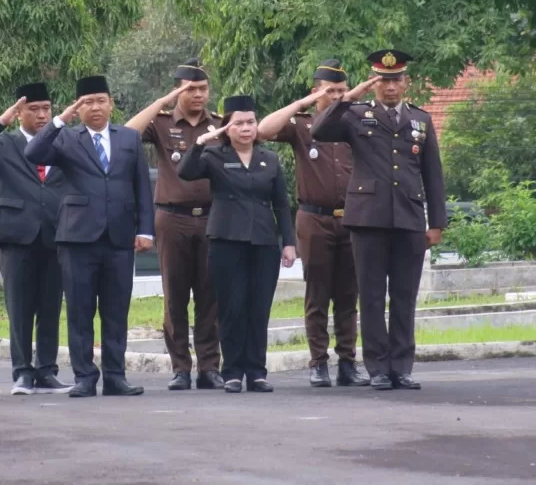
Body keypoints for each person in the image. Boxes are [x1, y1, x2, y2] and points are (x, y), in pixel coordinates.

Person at [312, 50, 446, 391]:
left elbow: (433, 175)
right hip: (368, 218)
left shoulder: (421, 120)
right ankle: (378, 368)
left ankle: (401, 366)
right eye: (383, 80)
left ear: (406, 82)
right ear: (374, 84)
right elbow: (320, 130)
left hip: (409, 217)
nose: (390, 87)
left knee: (404, 295)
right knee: (370, 295)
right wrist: (349, 96)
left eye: (396, 80)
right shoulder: (356, 114)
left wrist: (437, 223)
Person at [24, 75, 154, 398]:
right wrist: (59, 120)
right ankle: (84, 376)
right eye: (87, 102)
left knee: (116, 309)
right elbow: (33, 152)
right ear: (78, 107)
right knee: (80, 310)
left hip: (119, 237)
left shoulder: (129, 139)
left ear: (111, 103)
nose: (95, 108)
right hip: (77, 237)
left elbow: (142, 187)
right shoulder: (66, 138)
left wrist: (145, 230)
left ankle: (115, 376)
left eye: (100, 101)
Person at [257, 60, 370, 388]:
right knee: (317, 294)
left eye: (340, 90)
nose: (335, 96)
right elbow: (263, 130)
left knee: (349, 295)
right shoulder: (302, 124)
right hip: (314, 218)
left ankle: (348, 362)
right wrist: (302, 104)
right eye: (328, 91)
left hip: (351, 219)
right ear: (315, 92)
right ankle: (318, 362)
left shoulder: (354, 124)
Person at [177, 95, 296, 394]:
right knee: (231, 307)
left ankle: (256, 372)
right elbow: (186, 173)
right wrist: (201, 142)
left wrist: (289, 243)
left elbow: (281, 204)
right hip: (226, 240)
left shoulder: (269, 159)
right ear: (226, 128)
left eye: (251, 122)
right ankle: (232, 372)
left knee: (259, 308)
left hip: (263, 241)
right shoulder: (214, 156)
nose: (246, 128)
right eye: (238, 123)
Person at [124, 59, 224, 391]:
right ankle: (180, 367)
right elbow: (127, 133)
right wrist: (162, 103)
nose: (198, 95)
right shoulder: (163, 122)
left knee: (210, 296)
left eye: (203, 89)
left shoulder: (219, 125)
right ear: (178, 90)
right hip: (172, 219)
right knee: (175, 296)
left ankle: (210, 367)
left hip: (211, 217)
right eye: (190, 89)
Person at [0, 82, 72, 396]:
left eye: (46, 108)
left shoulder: (64, 142)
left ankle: (46, 371)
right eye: (33, 109)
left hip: (56, 233)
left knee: (50, 306)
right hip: (17, 235)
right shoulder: (5, 144)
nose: (42, 115)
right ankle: (22, 372)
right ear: (20, 112)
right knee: (19, 306)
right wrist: (2, 120)